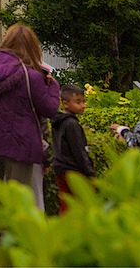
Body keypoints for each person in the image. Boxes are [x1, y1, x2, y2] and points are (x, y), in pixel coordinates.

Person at [0, 23, 60, 211]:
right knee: (18, 197)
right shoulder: (31, 76)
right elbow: (49, 109)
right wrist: (53, 87)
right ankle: (14, 238)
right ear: (32, 46)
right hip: (19, 142)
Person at [52, 84, 95, 213]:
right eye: (78, 102)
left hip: (60, 167)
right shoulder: (72, 124)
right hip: (73, 169)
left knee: (65, 203)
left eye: (83, 101)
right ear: (65, 104)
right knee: (75, 205)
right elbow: (79, 152)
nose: (83, 105)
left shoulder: (58, 122)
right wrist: (90, 173)